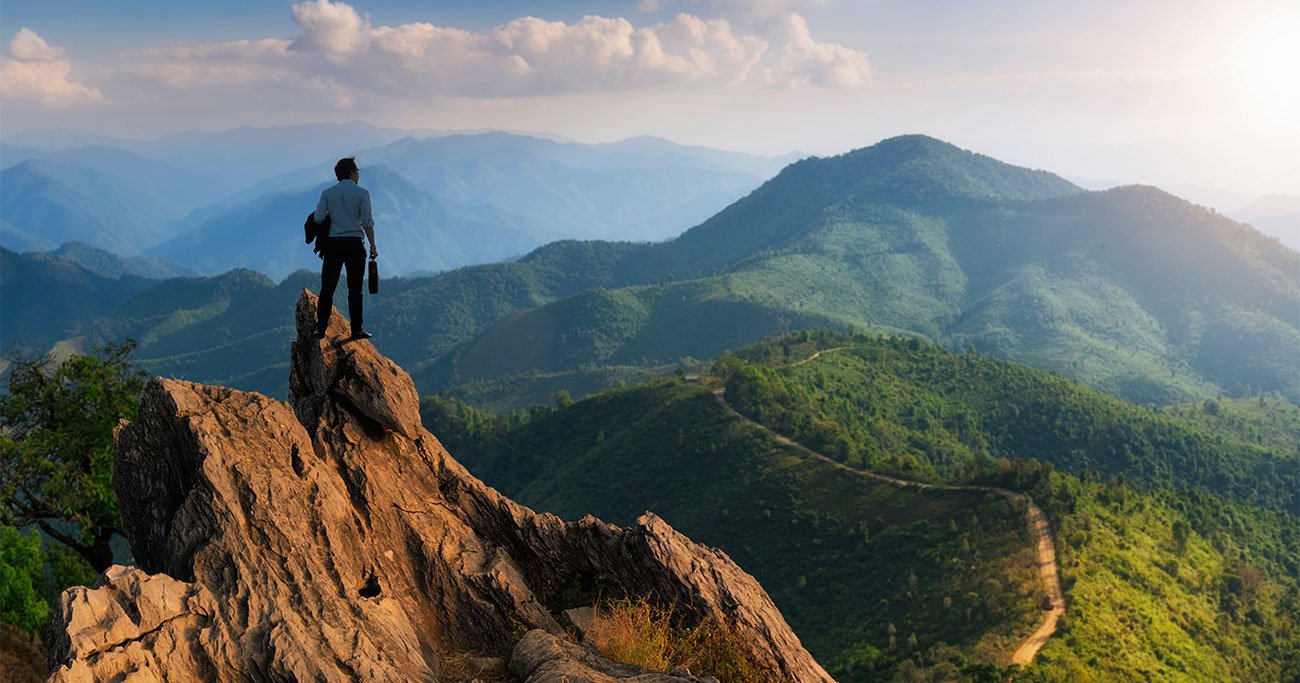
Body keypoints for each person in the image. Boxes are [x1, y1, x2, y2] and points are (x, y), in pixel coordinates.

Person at [313, 157, 377, 340]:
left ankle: (321, 329)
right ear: (351, 172)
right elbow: (367, 221)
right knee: (355, 289)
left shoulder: (328, 193)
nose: (358, 175)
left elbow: (318, 218)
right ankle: (356, 329)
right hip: (355, 245)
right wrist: (373, 246)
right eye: (357, 171)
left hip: (333, 245)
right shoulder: (362, 193)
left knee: (327, 289)